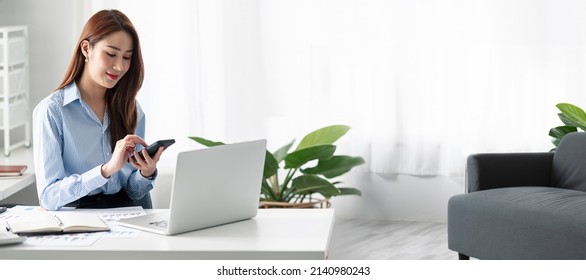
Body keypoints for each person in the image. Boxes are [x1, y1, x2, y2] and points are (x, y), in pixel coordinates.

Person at [33, 9, 164, 210]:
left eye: (127, 57)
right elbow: (49, 196)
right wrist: (105, 170)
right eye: (111, 54)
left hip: (127, 217)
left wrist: (146, 173)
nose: (119, 66)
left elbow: (133, 191)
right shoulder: (53, 111)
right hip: (79, 218)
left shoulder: (131, 108)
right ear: (86, 49)